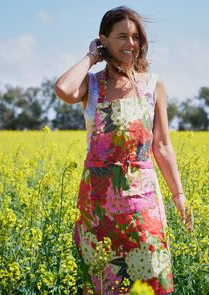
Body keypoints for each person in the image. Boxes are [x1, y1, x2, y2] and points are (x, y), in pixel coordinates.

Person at [54, 6, 194, 295]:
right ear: (104, 40)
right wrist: (91, 56)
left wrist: (179, 195)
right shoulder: (90, 85)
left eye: (135, 37)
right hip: (97, 205)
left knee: (153, 279)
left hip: (142, 202)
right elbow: (63, 89)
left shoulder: (152, 85)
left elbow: (162, 145)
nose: (131, 44)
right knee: (104, 283)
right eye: (122, 37)